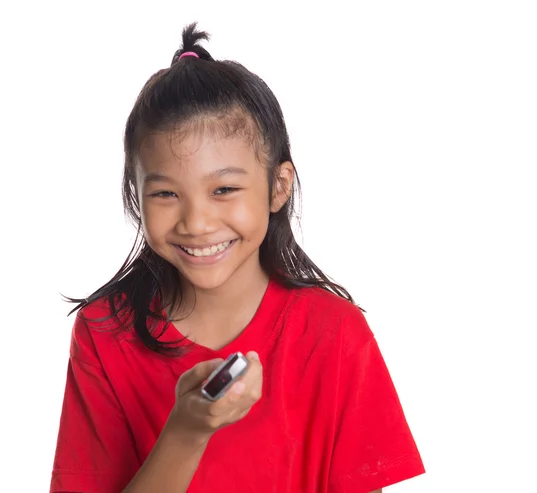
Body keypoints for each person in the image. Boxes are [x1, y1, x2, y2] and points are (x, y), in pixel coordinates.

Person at [50, 23, 425, 493]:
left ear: (278, 187)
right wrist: (188, 431)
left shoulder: (335, 333)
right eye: (166, 193)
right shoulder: (104, 333)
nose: (197, 222)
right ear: (136, 197)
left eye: (224, 190)